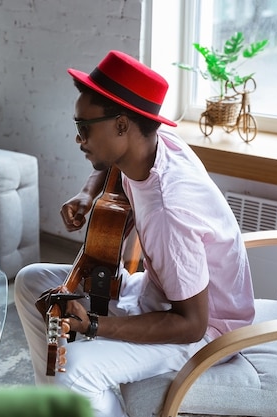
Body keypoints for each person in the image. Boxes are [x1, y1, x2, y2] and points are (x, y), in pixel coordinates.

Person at [14, 50, 255, 417]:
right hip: (157, 293)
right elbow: (111, 167)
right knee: (31, 282)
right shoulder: (155, 147)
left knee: (76, 372)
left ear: (123, 125)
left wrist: (96, 325)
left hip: (208, 331)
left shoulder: (168, 210)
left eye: (84, 128)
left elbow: (191, 325)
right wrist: (87, 193)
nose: (78, 139)